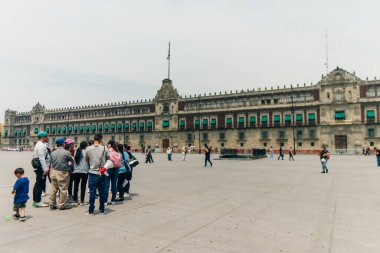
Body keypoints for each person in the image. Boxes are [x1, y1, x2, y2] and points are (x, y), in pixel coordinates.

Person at [85, 134, 109, 215]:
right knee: (102, 192)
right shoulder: (105, 148)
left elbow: (86, 160)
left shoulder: (88, 149)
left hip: (92, 173)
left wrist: (92, 163)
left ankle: (91, 211)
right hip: (102, 173)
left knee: (92, 192)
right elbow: (108, 159)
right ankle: (102, 210)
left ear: (94, 139)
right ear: (100, 140)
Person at [49, 138, 74, 210]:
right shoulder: (66, 152)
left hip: (54, 172)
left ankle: (52, 204)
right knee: (63, 189)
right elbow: (72, 161)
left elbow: (51, 163)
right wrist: (70, 167)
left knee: (53, 189)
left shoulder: (53, 152)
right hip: (62, 172)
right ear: (63, 144)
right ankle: (62, 205)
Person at [32, 131, 49, 207]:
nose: (47, 138)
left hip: (38, 166)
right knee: (40, 184)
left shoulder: (38, 144)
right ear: (43, 137)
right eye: (46, 136)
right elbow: (42, 158)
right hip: (40, 167)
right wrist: (45, 169)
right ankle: (38, 201)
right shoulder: (41, 145)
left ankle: (35, 200)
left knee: (37, 183)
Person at [73, 141, 90, 205]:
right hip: (84, 171)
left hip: (76, 171)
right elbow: (88, 161)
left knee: (76, 185)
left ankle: (75, 200)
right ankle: (82, 200)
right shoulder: (87, 152)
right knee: (83, 186)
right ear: (86, 146)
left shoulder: (76, 151)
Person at [104, 140, 121, 205]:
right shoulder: (117, 152)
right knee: (114, 185)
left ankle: (105, 201)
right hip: (116, 169)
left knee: (107, 185)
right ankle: (113, 200)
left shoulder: (108, 151)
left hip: (109, 169)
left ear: (109, 145)